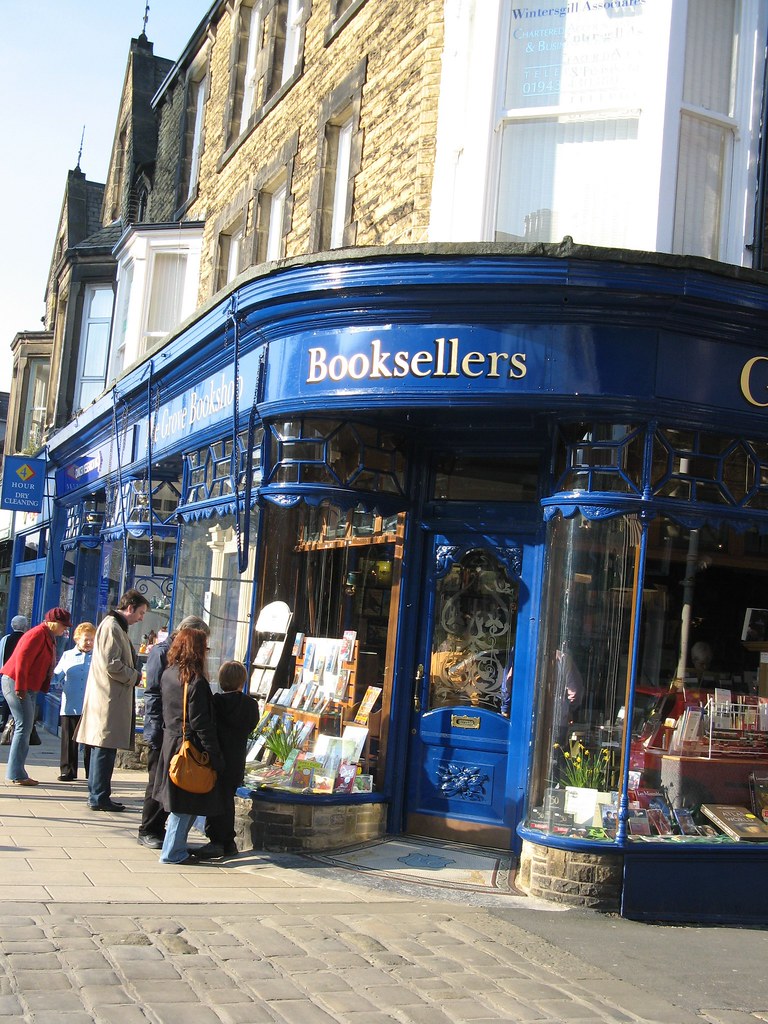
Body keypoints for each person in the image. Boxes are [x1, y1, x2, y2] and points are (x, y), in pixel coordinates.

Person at [137, 614, 211, 850]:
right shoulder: (162, 652)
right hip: (165, 729)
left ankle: (160, 829)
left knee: (169, 782)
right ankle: (148, 829)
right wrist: (157, 728)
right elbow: (154, 693)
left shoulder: (184, 657)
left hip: (174, 730)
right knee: (157, 782)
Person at [153, 627, 224, 865]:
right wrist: (214, 753)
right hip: (188, 748)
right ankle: (172, 852)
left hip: (171, 742)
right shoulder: (195, 681)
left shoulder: (169, 674)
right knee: (185, 802)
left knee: (185, 800)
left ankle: (177, 848)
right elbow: (201, 722)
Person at [75, 589, 149, 811]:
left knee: (104, 748)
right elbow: (112, 664)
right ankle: (99, 797)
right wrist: (135, 676)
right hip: (108, 698)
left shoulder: (114, 626)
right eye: (141, 613)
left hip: (109, 696)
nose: (141, 618)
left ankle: (98, 795)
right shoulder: (111, 627)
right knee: (104, 748)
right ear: (130, 608)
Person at [195, 660, 260, 861]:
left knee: (216, 800)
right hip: (237, 759)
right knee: (228, 799)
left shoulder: (216, 702)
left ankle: (218, 841)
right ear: (242, 681)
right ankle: (228, 843)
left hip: (218, 757)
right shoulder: (251, 705)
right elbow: (252, 725)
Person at [1, 607, 72, 786]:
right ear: (54, 623)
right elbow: (22, 660)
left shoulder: (48, 636)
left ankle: (17, 772)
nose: (65, 629)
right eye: (63, 625)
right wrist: (20, 687)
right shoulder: (37, 634)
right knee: (23, 726)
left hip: (26, 685)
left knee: (25, 726)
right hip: (17, 682)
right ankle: (16, 773)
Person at [53, 621, 96, 781]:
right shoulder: (67, 656)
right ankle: (68, 771)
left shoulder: (98, 657)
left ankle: (91, 772)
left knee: (91, 741)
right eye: (86, 639)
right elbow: (57, 676)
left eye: (92, 639)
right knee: (69, 739)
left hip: (91, 705)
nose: (89, 642)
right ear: (77, 639)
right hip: (71, 704)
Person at [0, 616, 28, 729]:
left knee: (8, 698)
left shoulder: (5, 639)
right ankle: (18, 722)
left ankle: (4, 721)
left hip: (7, 674)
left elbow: (1, 656)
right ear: (25, 626)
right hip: (23, 674)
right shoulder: (27, 639)